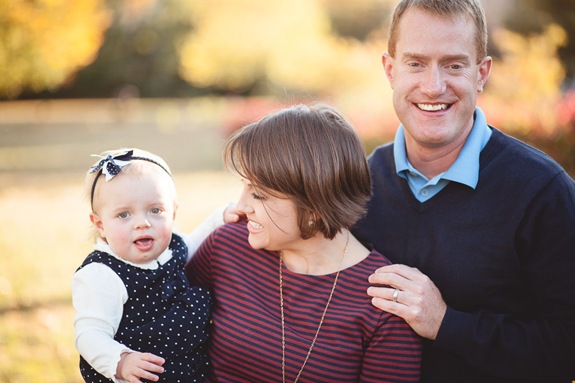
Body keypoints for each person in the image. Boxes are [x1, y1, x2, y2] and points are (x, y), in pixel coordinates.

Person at [351, 1, 575, 382]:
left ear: (481, 73)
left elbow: (567, 350)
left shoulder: (544, 192)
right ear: (390, 70)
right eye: (415, 63)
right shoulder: (357, 183)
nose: (434, 86)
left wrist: (445, 323)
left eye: (453, 65)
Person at [185, 104, 422, 382]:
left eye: (259, 195)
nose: (241, 205)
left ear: (314, 207)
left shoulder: (383, 303)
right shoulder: (227, 246)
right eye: (244, 186)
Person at [72, 148, 233, 383]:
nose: (142, 223)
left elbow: (194, 243)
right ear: (100, 224)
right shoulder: (102, 274)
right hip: (139, 376)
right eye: (124, 215)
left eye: (155, 210)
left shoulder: (171, 248)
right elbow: (90, 334)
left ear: (174, 213)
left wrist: (221, 217)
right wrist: (121, 360)